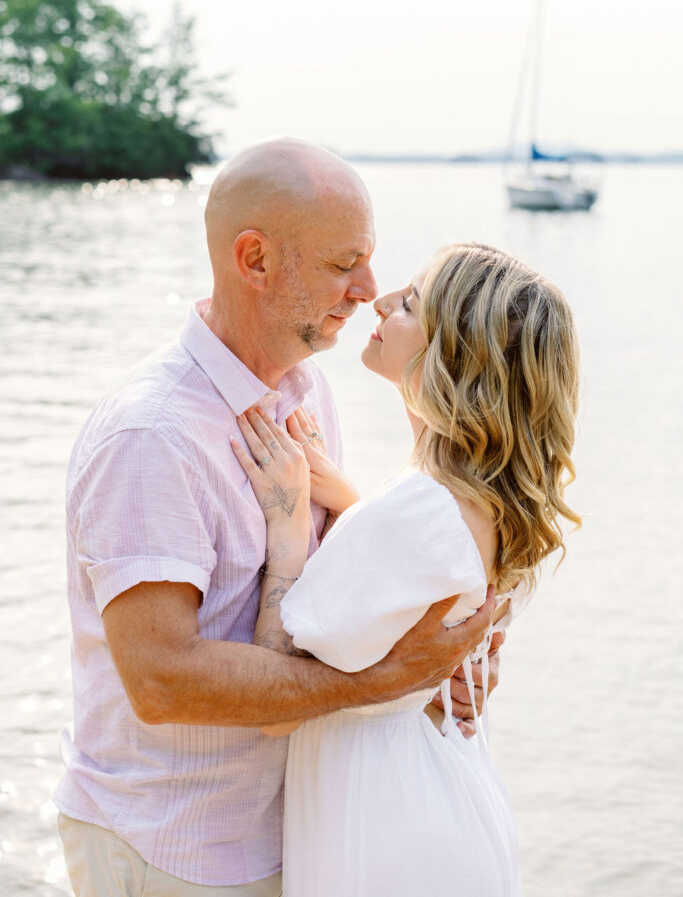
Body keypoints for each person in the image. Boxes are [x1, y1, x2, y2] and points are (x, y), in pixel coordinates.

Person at [55, 139, 498, 897]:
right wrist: (381, 680)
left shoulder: (304, 394)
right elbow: (162, 680)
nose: (367, 289)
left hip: (293, 832)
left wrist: (438, 667)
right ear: (254, 260)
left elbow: (330, 603)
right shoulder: (152, 436)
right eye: (342, 264)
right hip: (172, 845)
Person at [232, 242, 580, 896]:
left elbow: (275, 707)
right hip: (441, 794)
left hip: (383, 822)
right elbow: (420, 576)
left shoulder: (419, 511)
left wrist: (287, 524)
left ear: (452, 353)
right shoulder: (488, 501)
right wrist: (355, 507)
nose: (381, 301)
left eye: (411, 303)